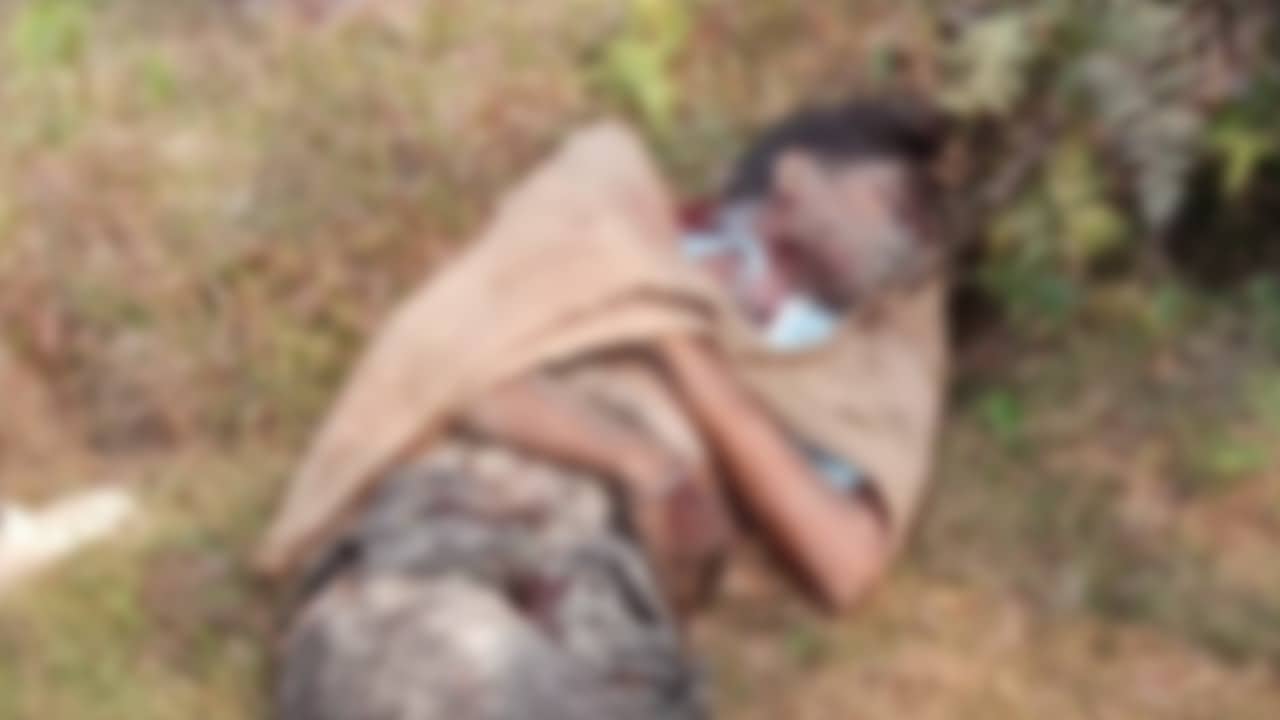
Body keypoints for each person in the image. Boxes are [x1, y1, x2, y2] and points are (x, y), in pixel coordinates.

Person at [267, 97, 949, 720]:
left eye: (922, 229)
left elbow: (844, 564)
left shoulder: (847, 367)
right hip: (468, 505)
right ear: (795, 173)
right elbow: (459, 368)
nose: (909, 235)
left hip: (611, 577)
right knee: (414, 663)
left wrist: (676, 346)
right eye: (890, 199)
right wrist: (629, 457)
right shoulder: (616, 219)